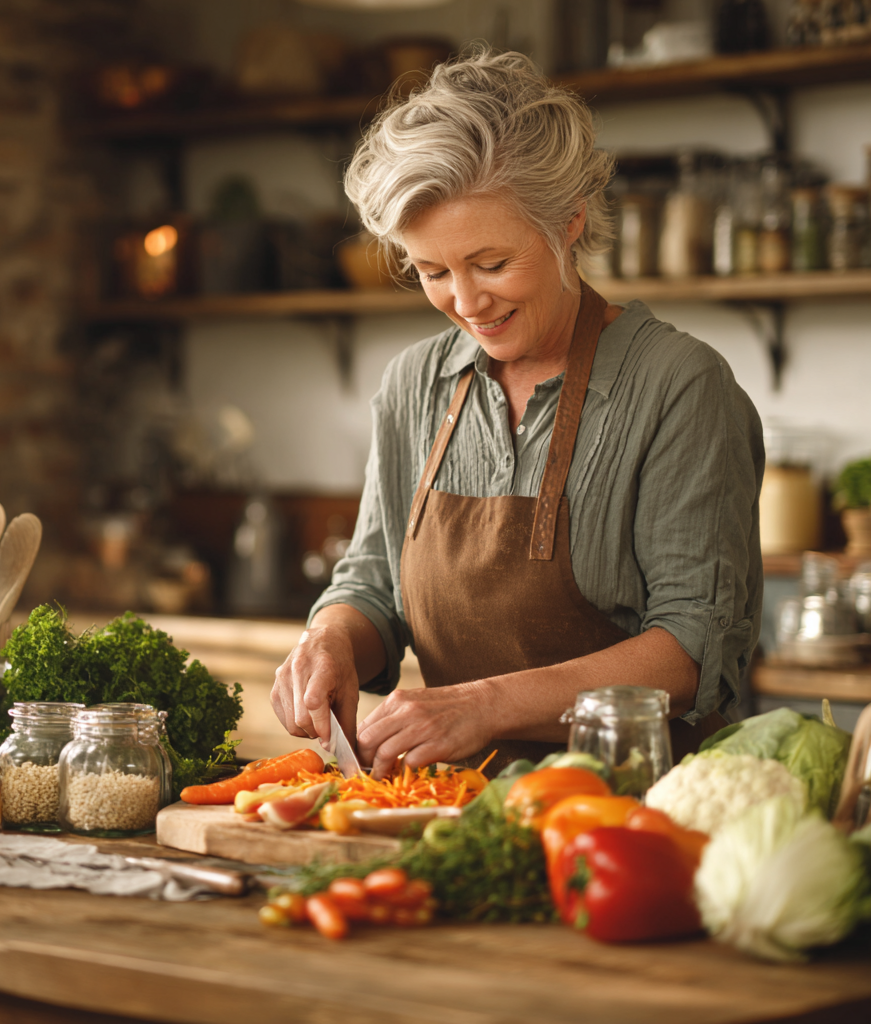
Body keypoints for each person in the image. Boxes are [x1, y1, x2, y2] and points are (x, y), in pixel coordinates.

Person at [270, 49, 763, 778]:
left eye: (492, 263)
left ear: (569, 223)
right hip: (456, 812)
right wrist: (333, 637)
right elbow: (374, 582)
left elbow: (693, 648)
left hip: (636, 814)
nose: (467, 303)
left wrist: (483, 705)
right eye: (433, 272)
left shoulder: (679, 386)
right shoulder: (415, 385)